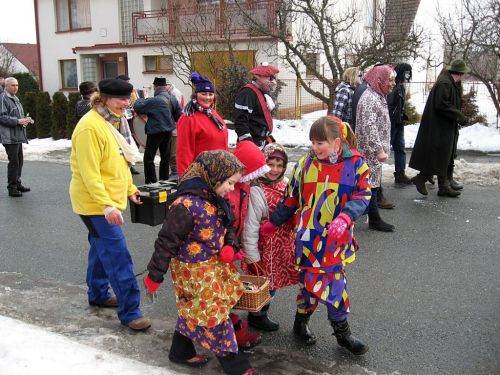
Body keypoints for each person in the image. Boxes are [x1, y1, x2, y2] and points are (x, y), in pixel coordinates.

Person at [143, 150, 260, 375]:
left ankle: (181, 352)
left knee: (197, 309)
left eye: (234, 183)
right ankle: (238, 368)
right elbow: (166, 242)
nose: (231, 189)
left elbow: (227, 228)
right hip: (191, 271)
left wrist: (229, 246)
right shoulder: (185, 206)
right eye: (229, 182)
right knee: (213, 313)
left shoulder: (214, 199)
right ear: (213, 176)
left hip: (212, 266)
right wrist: (154, 276)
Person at [261, 116, 371, 355]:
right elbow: (291, 198)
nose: (315, 147)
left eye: (320, 142)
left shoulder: (357, 164)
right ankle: (301, 323)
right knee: (309, 283)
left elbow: (363, 196)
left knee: (334, 285)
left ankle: (342, 333)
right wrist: (274, 222)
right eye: (312, 142)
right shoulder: (305, 165)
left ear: (336, 141)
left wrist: (345, 217)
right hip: (307, 238)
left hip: (335, 240)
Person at [69, 78, 150, 332]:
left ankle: (98, 294)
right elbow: (90, 173)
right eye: (120, 99)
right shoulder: (89, 128)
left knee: (99, 249)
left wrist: (130, 189)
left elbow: (119, 163)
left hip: (107, 202)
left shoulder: (112, 122)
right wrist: (106, 206)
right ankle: (131, 312)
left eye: (128, 99)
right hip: (95, 205)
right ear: (103, 99)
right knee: (118, 257)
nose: (126, 104)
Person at [241, 143, 299, 332]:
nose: (275, 170)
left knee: (273, 282)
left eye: (279, 165)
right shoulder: (257, 189)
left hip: (281, 245)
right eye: (270, 164)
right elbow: (250, 227)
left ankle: (261, 309)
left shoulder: (286, 184)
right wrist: (253, 257)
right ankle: (257, 315)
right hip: (263, 248)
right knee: (264, 282)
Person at [409, 59, 469, 197]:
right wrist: (460, 116)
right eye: (463, 73)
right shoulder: (445, 83)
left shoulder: (450, 82)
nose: (464, 76)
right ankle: (422, 179)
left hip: (445, 125)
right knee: (439, 155)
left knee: (444, 155)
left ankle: (443, 186)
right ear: (459, 73)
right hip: (439, 126)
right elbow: (441, 104)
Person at [356, 64, 396, 232]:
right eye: (391, 80)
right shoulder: (370, 99)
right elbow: (369, 126)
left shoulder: (378, 95)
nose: (393, 83)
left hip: (373, 151)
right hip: (369, 151)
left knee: (370, 183)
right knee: (370, 184)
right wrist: (378, 149)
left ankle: (367, 213)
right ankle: (374, 218)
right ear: (380, 80)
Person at [176, 72, 228, 176]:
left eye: (210, 94)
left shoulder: (213, 114)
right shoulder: (189, 118)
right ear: (196, 95)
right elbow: (184, 152)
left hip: (218, 172)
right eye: (203, 94)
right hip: (200, 174)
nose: (207, 97)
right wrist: (186, 178)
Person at [133, 77, 182, 183]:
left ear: (155, 87)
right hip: (168, 131)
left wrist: (141, 97)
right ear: (165, 86)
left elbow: (137, 106)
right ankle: (164, 180)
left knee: (149, 158)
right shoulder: (172, 99)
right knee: (165, 157)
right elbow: (179, 116)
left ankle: (151, 182)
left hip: (155, 132)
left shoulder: (153, 100)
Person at [234, 62, 279, 148]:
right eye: (268, 78)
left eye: (272, 78)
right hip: (252, 144)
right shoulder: (247, 93)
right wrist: (248, 145)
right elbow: (240, 122)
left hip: (262, 142)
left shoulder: (262, 92)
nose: (272, 82)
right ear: (258, 77)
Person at [0, 77, 32, 197]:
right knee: (14, 162)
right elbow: (2, 117)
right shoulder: (3, 98)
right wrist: (18, 121)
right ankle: (12, 188)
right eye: (13, 85)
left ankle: (17, 183)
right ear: (6, 86)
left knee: (19, 161)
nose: (16, 87)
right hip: (9, 136)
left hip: (17, 135)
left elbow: (18, 116)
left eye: (17, 85)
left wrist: (25, 120)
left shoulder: (15, 98)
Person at [388, 63, 413, 184]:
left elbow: (399, 105)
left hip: (398, 123)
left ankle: (400, 173)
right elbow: (390, 105)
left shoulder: (401, 86)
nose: (407, 75)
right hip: (392, 123)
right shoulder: (392, 85)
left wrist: (402, 115)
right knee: (385, 149)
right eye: (406, 72)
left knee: (400, 148)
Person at [164, 79, 185, 180]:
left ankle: (175, 172)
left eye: (165, 86)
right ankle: (174, 171)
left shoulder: (174, 94)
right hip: (173, 125)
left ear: (169, 85)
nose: (164, 88)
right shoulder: (171, 92)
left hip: (175, 126)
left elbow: (175, 110)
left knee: (173, 151)